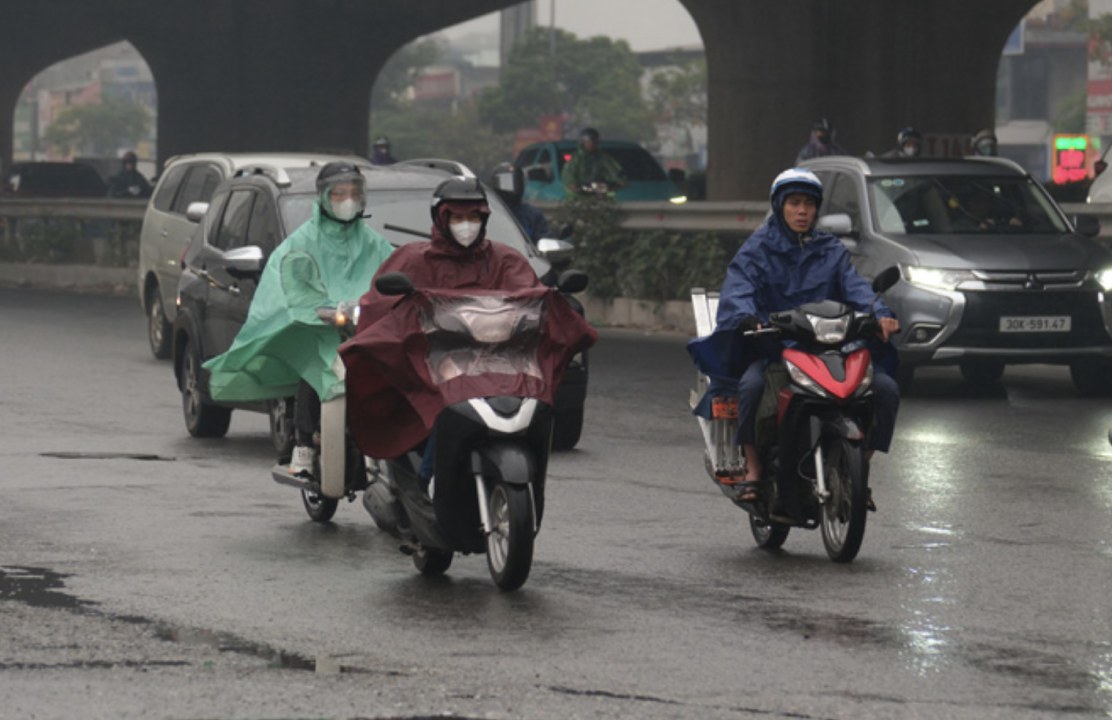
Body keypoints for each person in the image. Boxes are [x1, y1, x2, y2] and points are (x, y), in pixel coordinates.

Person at [340, 177, 597, 481]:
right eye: (457, 217)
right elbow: (382, 310)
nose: (466, 225)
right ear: (441, 218)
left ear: (484, 219)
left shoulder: (505, 260)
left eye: (473, 217)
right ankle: (428, 479)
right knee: (442, 406)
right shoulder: (412, 260)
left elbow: (530, 298)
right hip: (435, 364)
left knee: (535, 403)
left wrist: (552, 303)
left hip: (502, 360)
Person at [691, 168, 901, 506]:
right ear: (780, 206)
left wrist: (881, 315)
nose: (802, 211)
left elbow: (857, 288)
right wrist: (747, 318)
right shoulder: (757, 248)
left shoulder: (830, 249)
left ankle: (859, 470)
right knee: (751, 387)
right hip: (776, 346)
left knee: (885, 389)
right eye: (794, 203)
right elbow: (739, 288)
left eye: (809, 204)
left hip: (832, 346)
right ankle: (754, 469)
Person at [202, 161, 394, 475]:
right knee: (313, 365)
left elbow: (393, 274)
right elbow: (286, 282)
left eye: (353, 193)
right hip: (318, 328)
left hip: (363, 331)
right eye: (339, 194)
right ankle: (303, 443)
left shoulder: (374, 243)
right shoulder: (301, 242)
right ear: (324, 197)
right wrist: (310, 309)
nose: (347, 201)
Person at [490, 162, 552, 242]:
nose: (513, 187)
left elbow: (545, 240)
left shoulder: (532, 215)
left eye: (516, 181)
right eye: (507, 183)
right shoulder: (490, 214)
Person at [560, 127, 626, 195]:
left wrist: (619, 181)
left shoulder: (603, 157)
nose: (592, 144)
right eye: (590, 141)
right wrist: (573, 184)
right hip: (579, 195)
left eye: (595, 141)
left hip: (600, 193)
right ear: (583, 142)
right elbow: (568, 176)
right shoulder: (575, 158)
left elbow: (613, 170)